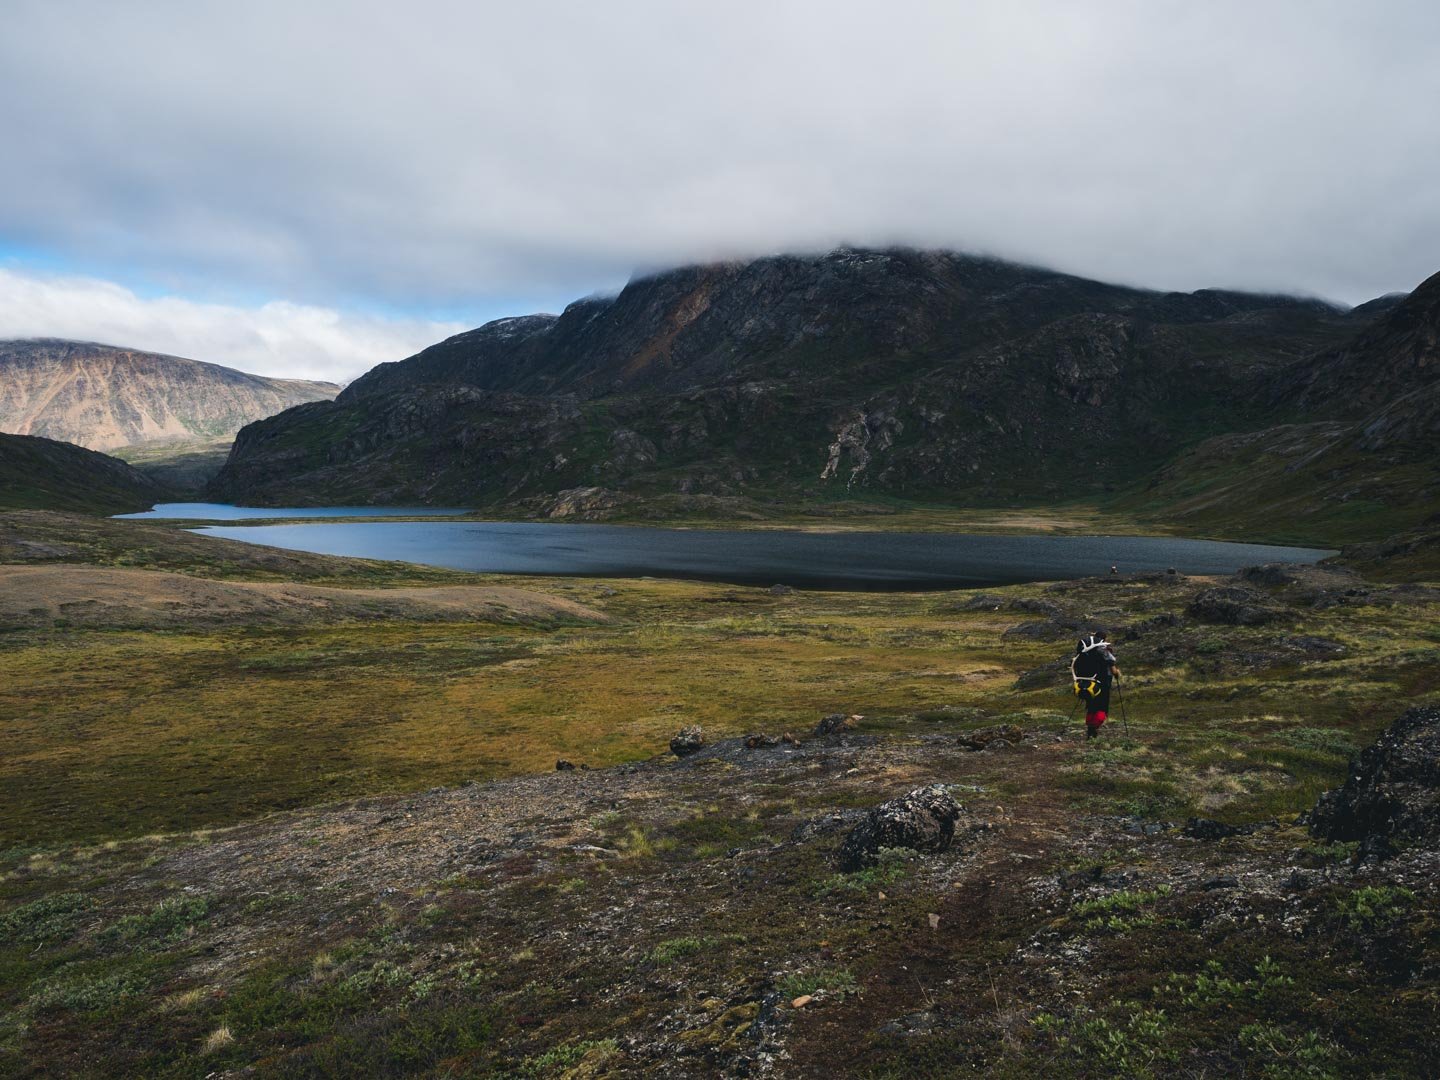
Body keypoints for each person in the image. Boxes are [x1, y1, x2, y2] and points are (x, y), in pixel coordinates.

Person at [1072, 632, 1120, 740]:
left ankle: (1090, 728)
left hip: (1088, 683)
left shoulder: (1085, 650)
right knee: (1102, 706)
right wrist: (1116, 674)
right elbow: (1111, 665)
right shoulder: (1102, 649)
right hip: (1103, 683)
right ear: (1104, 638)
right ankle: (1094, 729)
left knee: (1091, 706)